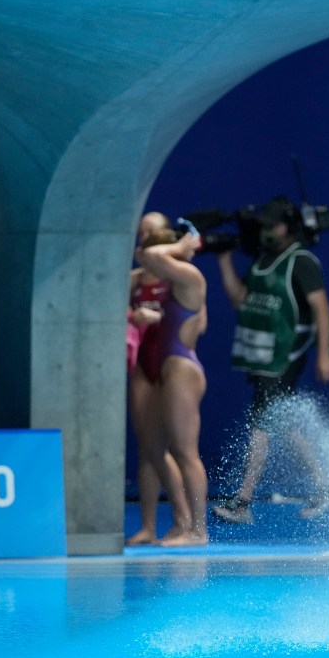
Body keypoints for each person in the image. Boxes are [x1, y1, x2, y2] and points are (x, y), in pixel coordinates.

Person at [211, 196, 329, 525]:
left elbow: (322, 308)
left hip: (284, 357)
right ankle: (325, 485)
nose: (267, 230)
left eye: (273, 224)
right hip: (262, 357)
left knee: (260, 426)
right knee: (284, 425)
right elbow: (241, 300)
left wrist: (323, 354)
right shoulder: (263, 259)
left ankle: (243, 502)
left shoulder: (302, 262)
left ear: (288, 226)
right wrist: (224, 261)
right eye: (264, 225)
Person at [135, 226, 210, 546]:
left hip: (182, 369)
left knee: (185, 452)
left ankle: (199, 531)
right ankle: (182, 523)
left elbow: (151, 255)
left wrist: (177, 247)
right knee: (153, 447)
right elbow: (148, 258)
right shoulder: (171, 282)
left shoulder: (190, 277)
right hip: (166, 371)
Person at [125, 212, 190, 546]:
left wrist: (161, 318)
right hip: (143, 367)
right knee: (147, 449)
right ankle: (148, 526)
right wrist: (133, 317)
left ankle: (184, 520)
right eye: (142, 232)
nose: (145, 237)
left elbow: (196, 321)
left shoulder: (179, 277)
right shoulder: (135, 280)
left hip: (169, 365)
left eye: (153, 231)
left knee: (173, 448)